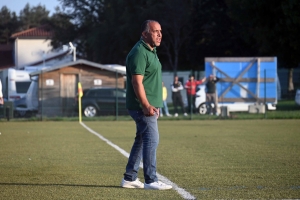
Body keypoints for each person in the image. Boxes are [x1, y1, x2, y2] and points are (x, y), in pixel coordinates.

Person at [121, 20, 172, 190]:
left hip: (149, 105)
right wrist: (145, 105)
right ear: (145, 34)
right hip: (141, 106)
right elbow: (137, 83)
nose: (159, 34)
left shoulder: (151, 50)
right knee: (152, 139)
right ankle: (151, 180)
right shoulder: (139, 52)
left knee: (142, 139)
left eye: (160, 31)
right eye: (155, 31)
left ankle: (130, 178)